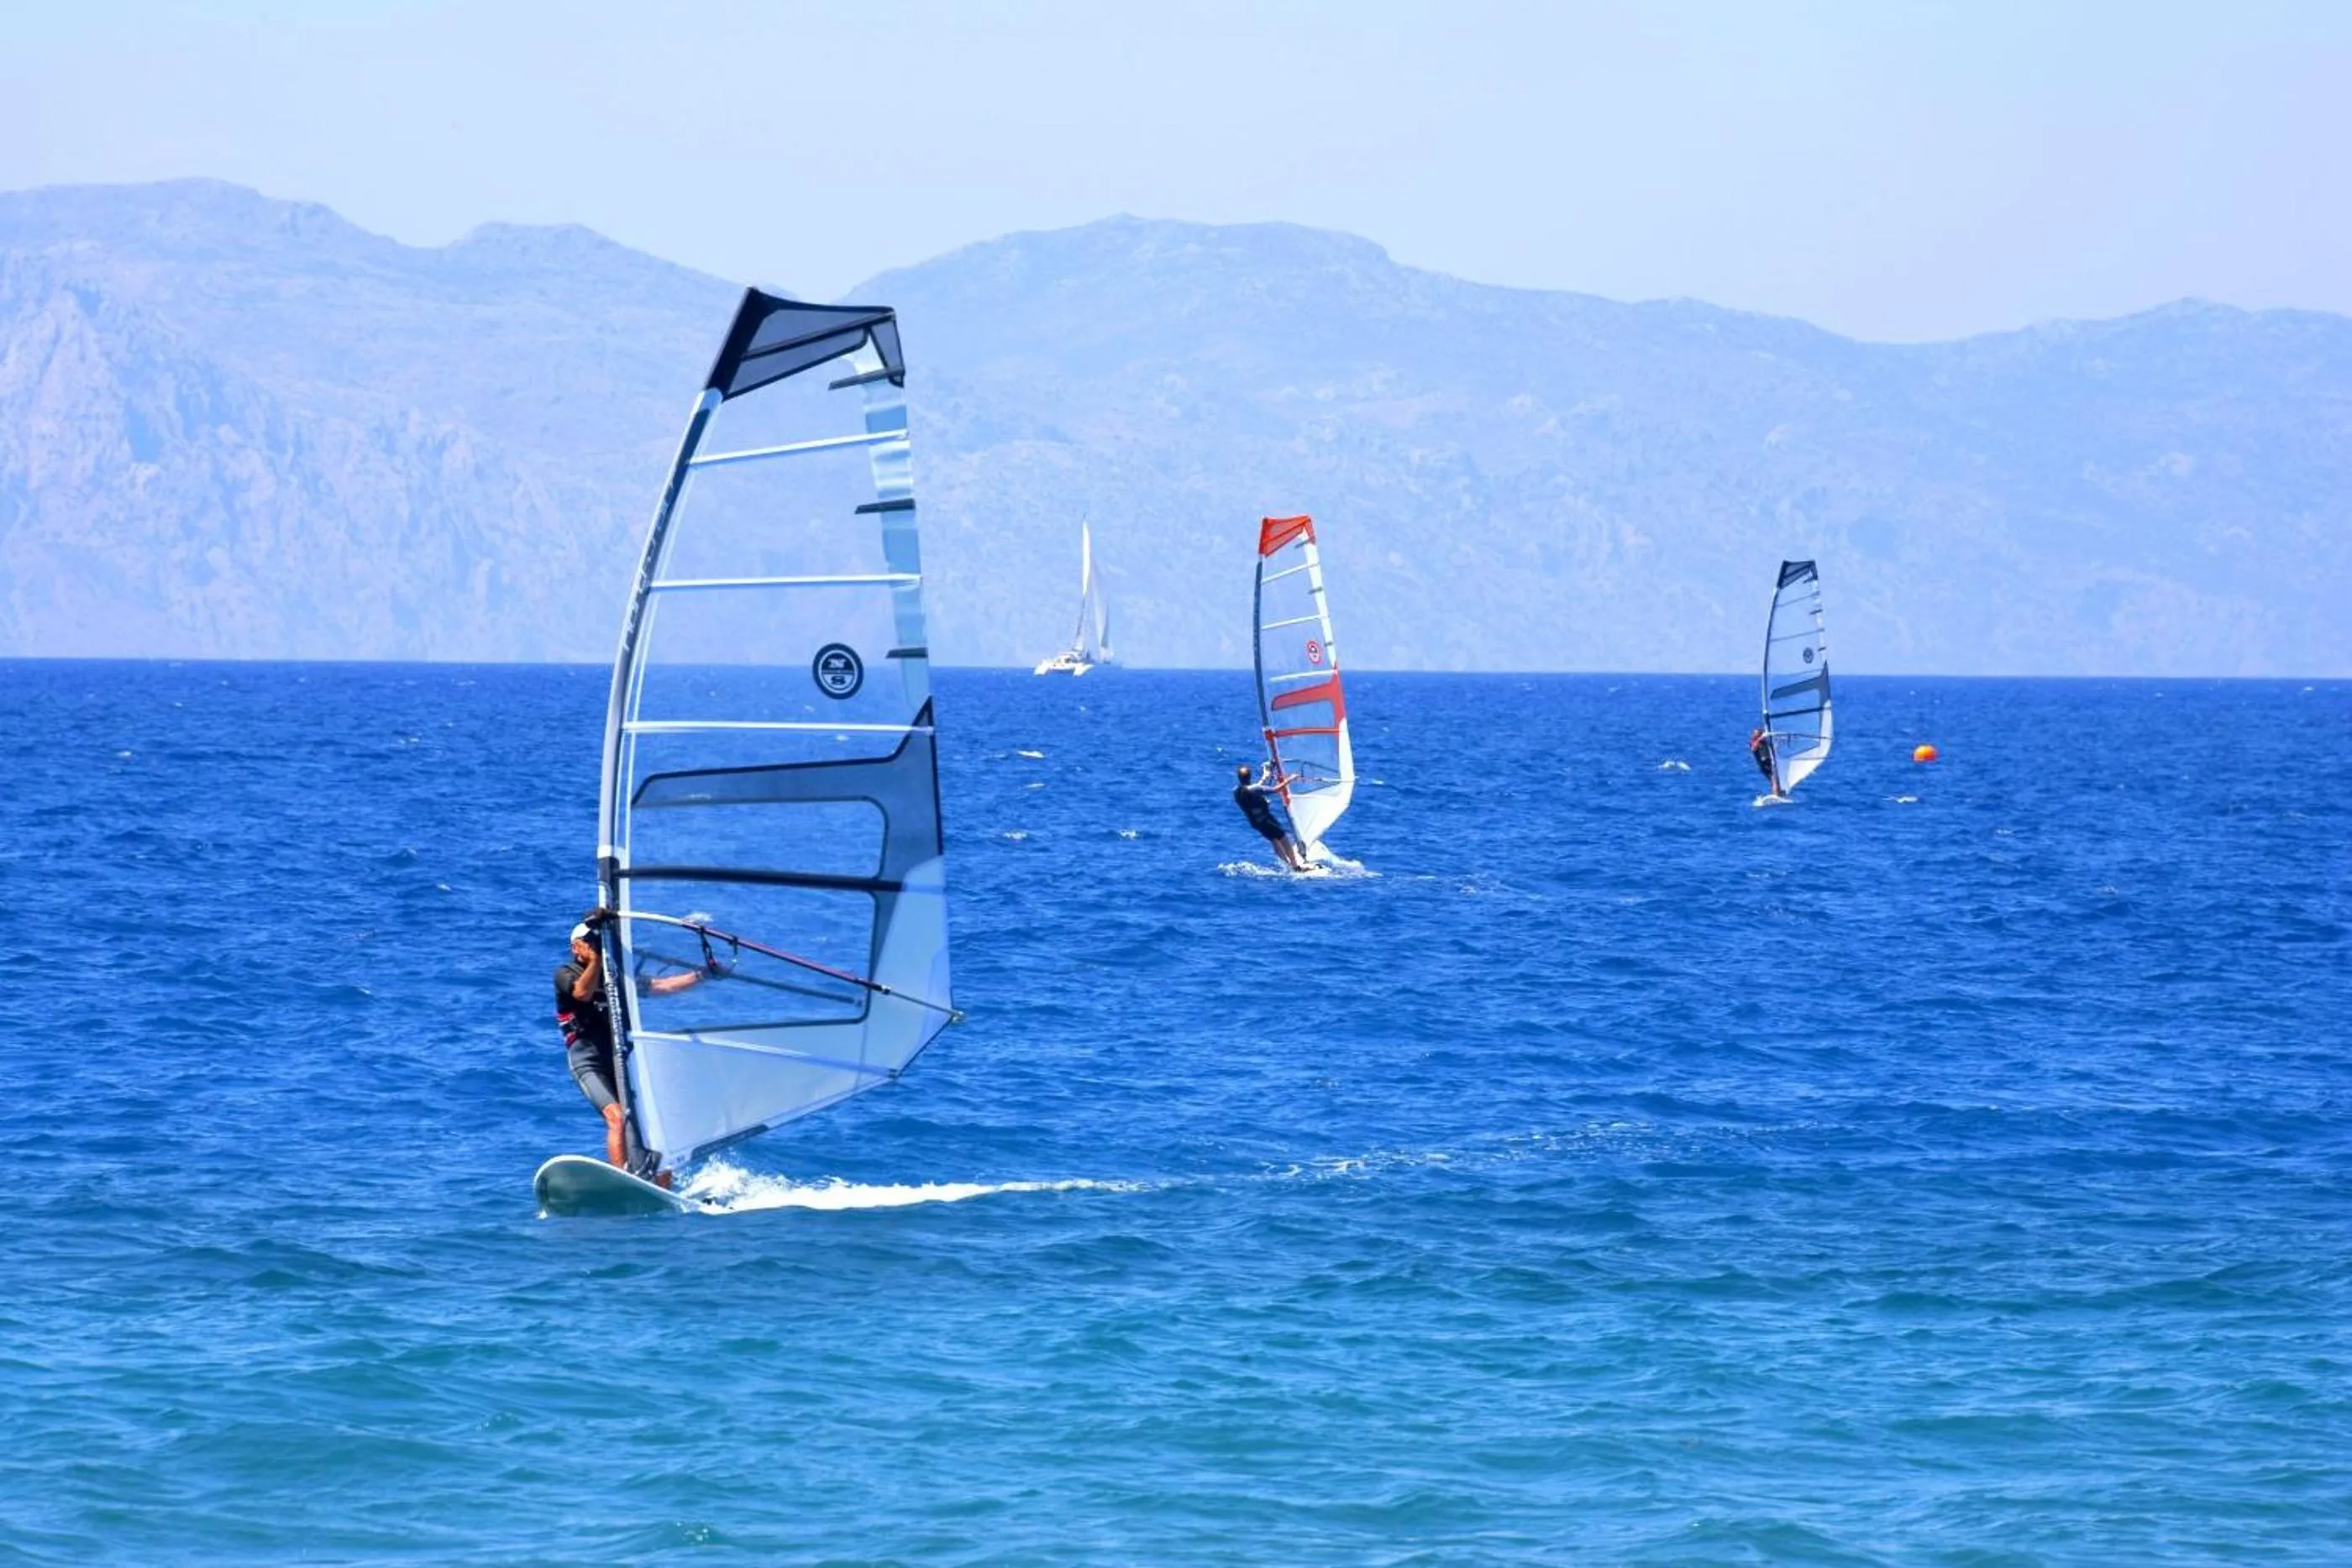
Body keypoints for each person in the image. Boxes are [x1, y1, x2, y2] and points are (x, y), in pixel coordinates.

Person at [555, 908, 712, 1177]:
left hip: (620, 1060)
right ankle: (623, 1179)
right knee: (616, 1118)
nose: (597, 950)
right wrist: (594, 960)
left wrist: (703, 975)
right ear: (576, 947)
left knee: (657, 1126)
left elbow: (663, 986)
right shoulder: (565, 972)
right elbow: (582, 993)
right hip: (588, 1062)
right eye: (590, 944)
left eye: (599, 945)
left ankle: (659, 1189)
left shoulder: (616, 980)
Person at [1233, 761, 1310, 872]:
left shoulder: (1236, 791)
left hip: (1255, 822)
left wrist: (1265, 776)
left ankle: (1288, 866)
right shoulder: (1255, 789)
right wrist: (1291, 779)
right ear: (1249, 776)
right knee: (1283, 839)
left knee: (1274, 840)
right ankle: (1295, 867)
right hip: (1266, 820)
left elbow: (1255, 788)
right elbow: (1275, 789)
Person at [1749, 726, 1782, 797]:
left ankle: (1778, 793)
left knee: (1775, 779)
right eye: (1756, 734)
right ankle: (1776, 795)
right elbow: (1753, 749)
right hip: (1763, 764)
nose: (1755, 735)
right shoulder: (1753, 741)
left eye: (1758, 734)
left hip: (1770, 762)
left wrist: (1778, 742)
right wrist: (1760, 738)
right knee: (1773, 779)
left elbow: (1773, 749)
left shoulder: (1765, 742)